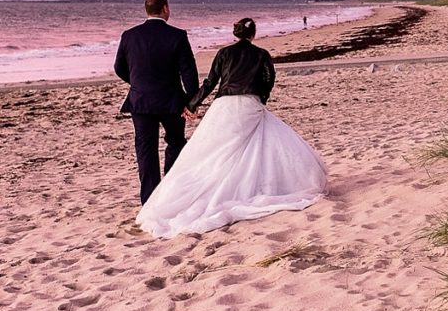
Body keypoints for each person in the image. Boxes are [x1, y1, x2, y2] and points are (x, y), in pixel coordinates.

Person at [135, 17, 328, 238]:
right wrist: (260, 99)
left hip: (224, 106)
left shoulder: (224, 53)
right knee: (254, 146)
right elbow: (268, 80)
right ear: (253, 34)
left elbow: (210, 82)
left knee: (214, 151)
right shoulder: (262, 54)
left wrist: (191, 104)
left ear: (234, 34)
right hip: (250, 104)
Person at [114, 0, 199, 204]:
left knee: (146, 149)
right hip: (172, 101)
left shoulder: (130, 35)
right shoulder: (177, 36)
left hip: (141, 101)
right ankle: (171, 192)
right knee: (176, 143)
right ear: (165, 9)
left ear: (147, 10)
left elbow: (119, 67)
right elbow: (188, 71)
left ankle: (150, 201)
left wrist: (137, 83)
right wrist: (192, 101)